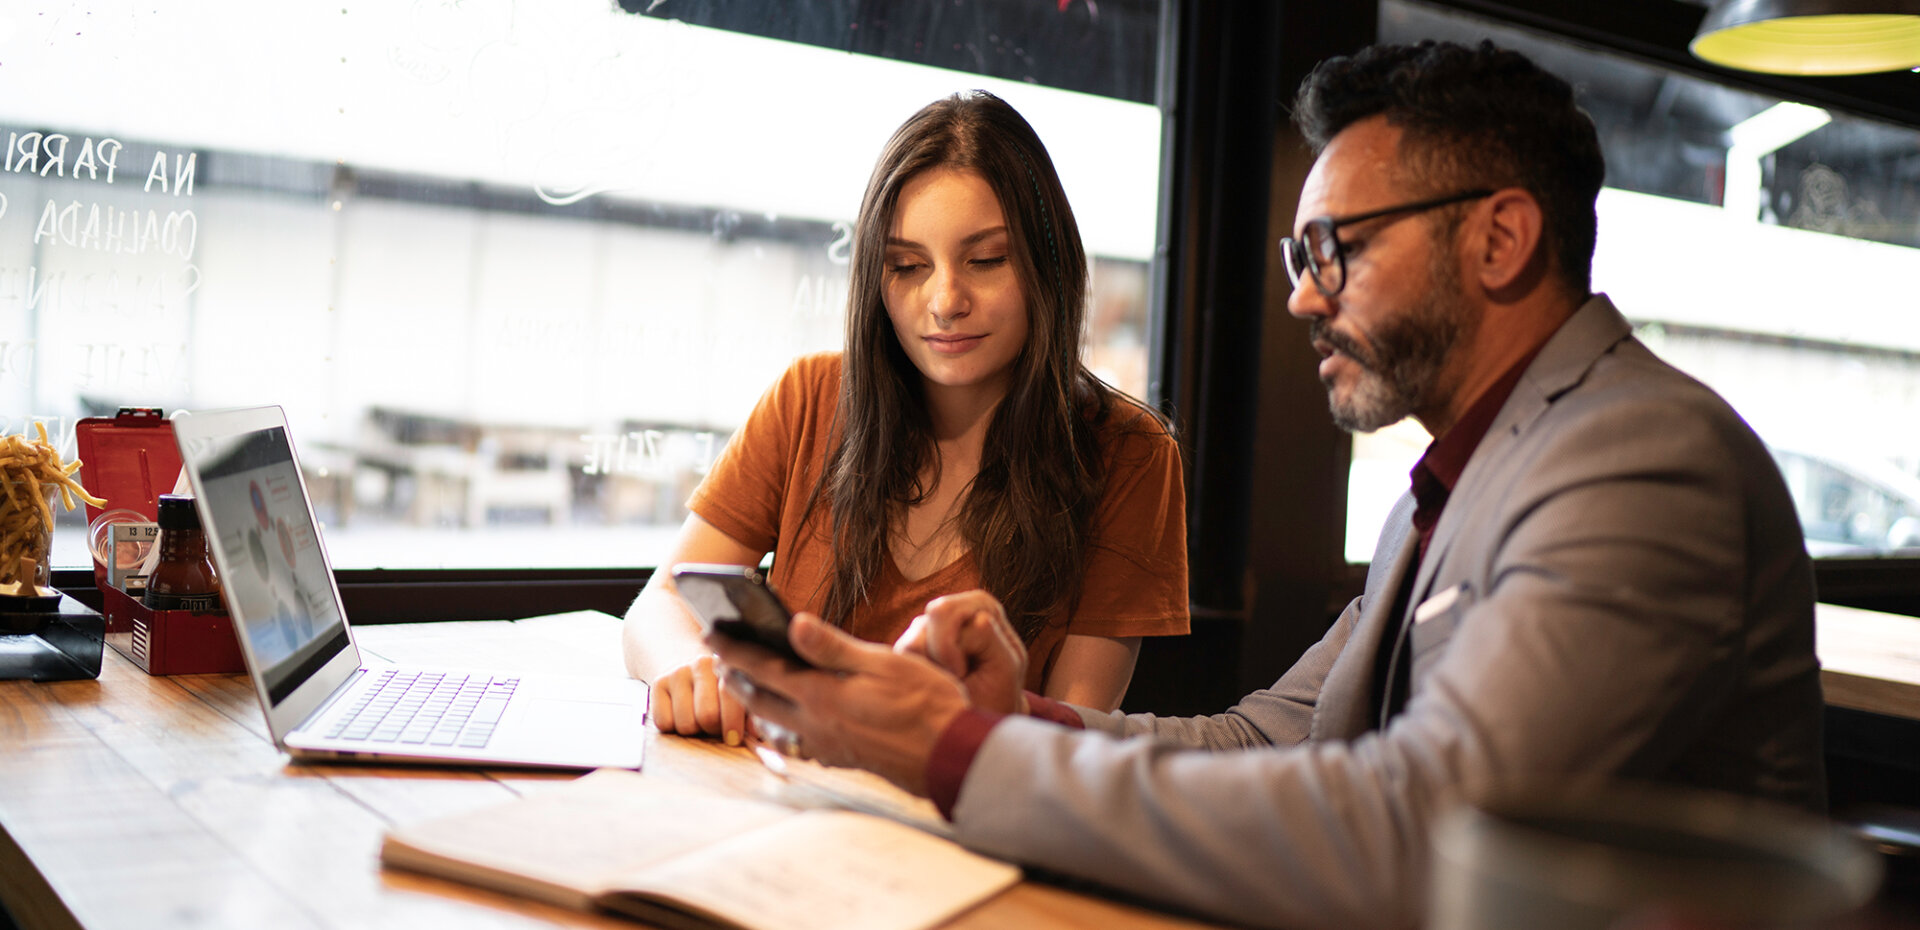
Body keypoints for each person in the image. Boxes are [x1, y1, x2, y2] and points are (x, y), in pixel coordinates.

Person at [708, 40, 1826, 930]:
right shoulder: (1459, 485)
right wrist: (1014, 717)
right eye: (1300, 260)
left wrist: (958, 753)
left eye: (1334, 249)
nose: (1301, 299)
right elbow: (1262, 740)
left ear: (1501, 239)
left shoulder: (1638, 459)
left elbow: (1424, 829)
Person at [623, 91, 1190, 743]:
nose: (945, 300)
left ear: (1049, 265)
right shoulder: (810, 397)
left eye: (986, 259)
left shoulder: (1129, 454)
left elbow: (1070, 739)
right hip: (775, 797)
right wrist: (689, 666)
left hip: (964, 819)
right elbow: (660, 603)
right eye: (908, 267)